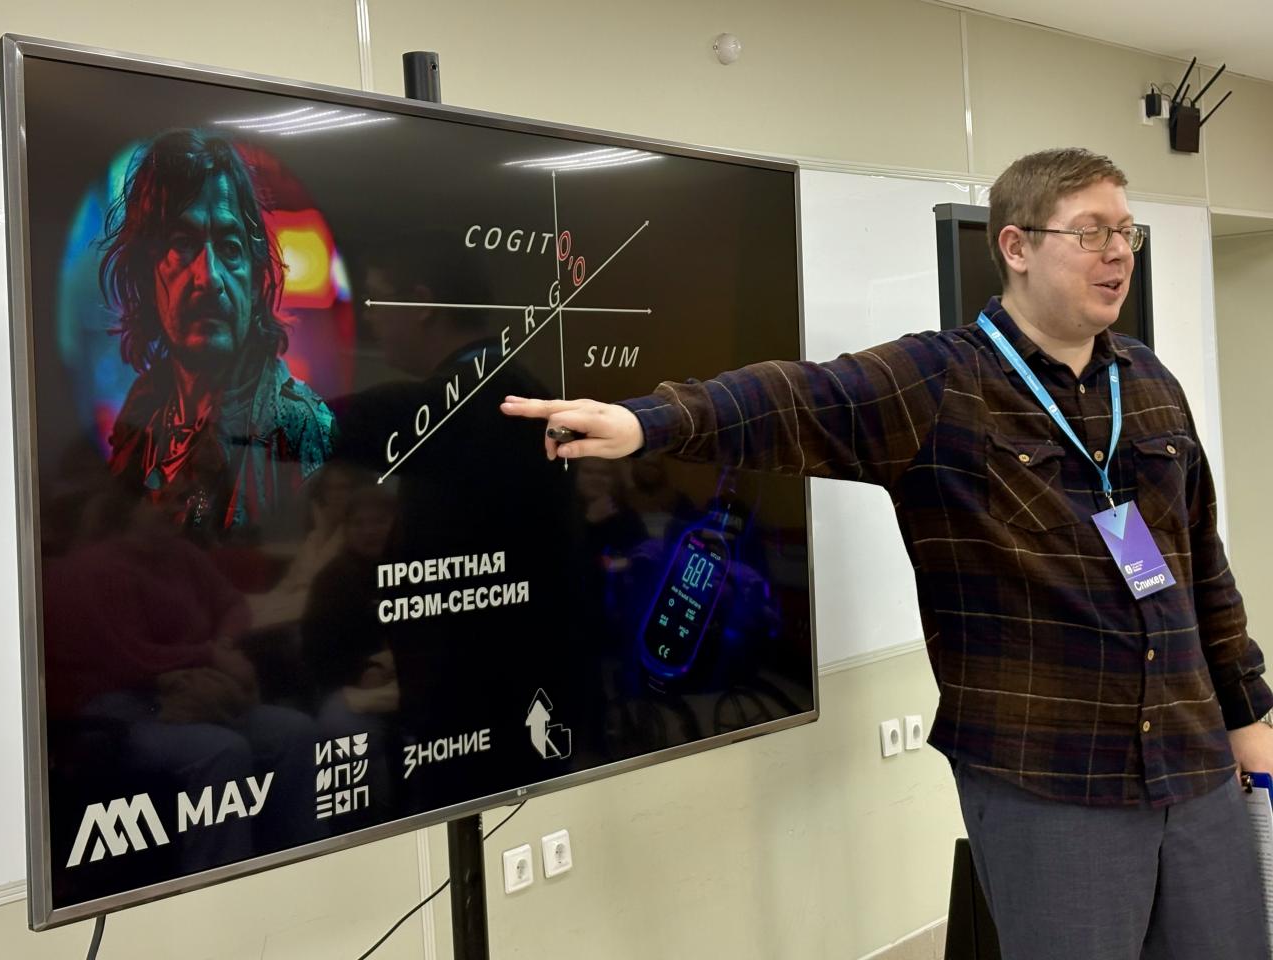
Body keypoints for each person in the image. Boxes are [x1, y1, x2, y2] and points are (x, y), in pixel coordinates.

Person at [502, 147, 1273, 959]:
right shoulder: (942, 383)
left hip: (1192, 760)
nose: (1117, 253)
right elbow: (795, 399)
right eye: (1091, 232)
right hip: (1052, 776)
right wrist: (647, 422)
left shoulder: (1148, 381)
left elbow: (1203, 567)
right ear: (1016, 246)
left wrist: (1248, 714)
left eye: (1125, 232)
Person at [100, 129, 335, 536]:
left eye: (229, 247)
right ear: (145, 273)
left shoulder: (299, 427)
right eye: (182, 242)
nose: (209, 278)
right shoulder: (143, 413)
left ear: (255, 279)